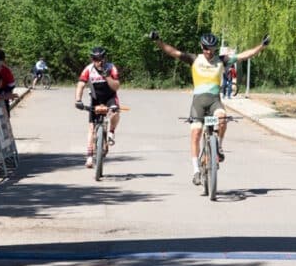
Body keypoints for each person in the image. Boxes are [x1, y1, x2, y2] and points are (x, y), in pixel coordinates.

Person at [150, 30, 269, 185]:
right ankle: (196, 171)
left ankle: (218, 146)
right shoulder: (194, 59)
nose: (208, 51)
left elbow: (244, 56)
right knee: (196, 132)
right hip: (198, 102)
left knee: (222, 118)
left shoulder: (222, 60)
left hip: (214, 101)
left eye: (211, 48)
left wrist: (261, 46)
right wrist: (158, 41)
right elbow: (172, 51)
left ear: (215, 48)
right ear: (201, 46)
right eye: (206, 48)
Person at [74, 47, 121, 169]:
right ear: (92, 59)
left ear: (105, 58)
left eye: (100, 59)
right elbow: (80, 84)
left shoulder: (111, 68)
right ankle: (89, 156)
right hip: (96, 99)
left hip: (110, 97)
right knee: (91, 127)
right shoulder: (88, 69)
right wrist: (78, 100)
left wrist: (108, 77)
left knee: (115, 111)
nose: (98, 61)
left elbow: (116, 87)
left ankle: (111, 131)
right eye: (95, 59)